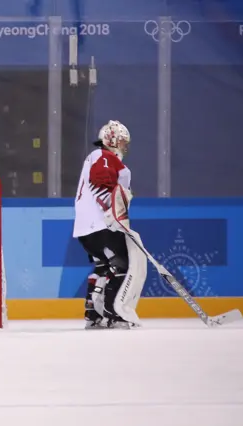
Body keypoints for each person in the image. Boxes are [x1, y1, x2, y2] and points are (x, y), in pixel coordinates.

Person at [72, 120, 146, 329]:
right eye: (122, 141)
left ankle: (92, 314)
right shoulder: (103, 156)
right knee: (122, 263)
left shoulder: (96, 158)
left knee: (103, 266)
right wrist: (113, 212)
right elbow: (101, 180)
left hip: (85, 229)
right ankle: (114, 313)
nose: (124, 146)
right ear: (111, 140)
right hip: (101, 224)